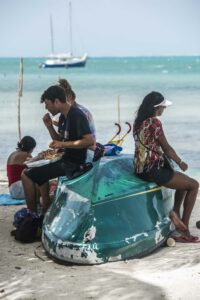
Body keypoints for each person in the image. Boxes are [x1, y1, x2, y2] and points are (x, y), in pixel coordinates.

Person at [133, 91, 199, 241]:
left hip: (140, 169)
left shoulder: (138, 122)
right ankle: (184, 232)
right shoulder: (154, 122)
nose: (164, 110)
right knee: (194, 185)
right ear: (156, 108)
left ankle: (175, 214)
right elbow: (167, 148)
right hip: (153, 170)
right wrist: (180, 162)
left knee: (184, 182)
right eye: (163, 107)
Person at [21, 85, 94, 213]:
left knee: (26, 175)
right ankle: (44, 208)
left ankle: (32, 214)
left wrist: (63, 145)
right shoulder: (62, 117)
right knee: (31, 168)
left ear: (57, 101)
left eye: (47, 104)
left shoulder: (77, 115)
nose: (46, 108)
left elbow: (89, 141)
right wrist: (49, 127)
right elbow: (60, 140)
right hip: (64, 158)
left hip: (73, 163)